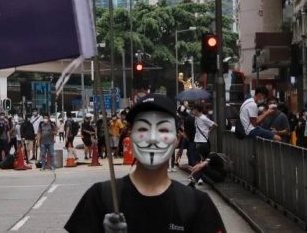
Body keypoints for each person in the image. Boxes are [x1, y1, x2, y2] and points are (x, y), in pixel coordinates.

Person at [64, 95, 226, 233]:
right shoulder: (99, 198)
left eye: (163, 130)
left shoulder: (197, 205)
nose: (153, 139)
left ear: (176, 139)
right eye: (143, 129)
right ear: (130, 137)